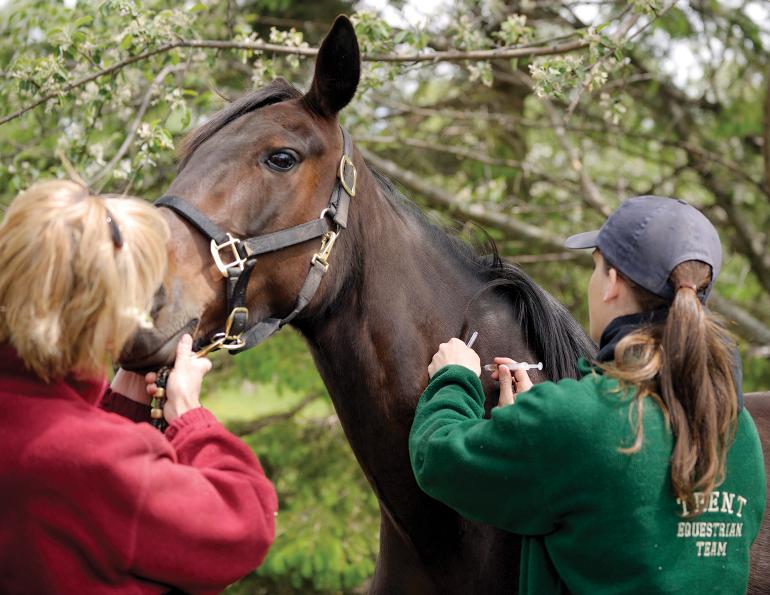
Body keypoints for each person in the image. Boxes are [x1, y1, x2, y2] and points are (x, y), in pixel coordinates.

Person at [409, 195, 766, 594]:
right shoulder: (739, 432)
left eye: (595, 267)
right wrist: (536, 424)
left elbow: (439, 458)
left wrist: (455, 378)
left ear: (612, 283)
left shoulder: (581, 420)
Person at [0, 181, 277, 594]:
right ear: (107, 321)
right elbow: (244, 526)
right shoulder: (91, 459)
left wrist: (118, 410)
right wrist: (191, 419)